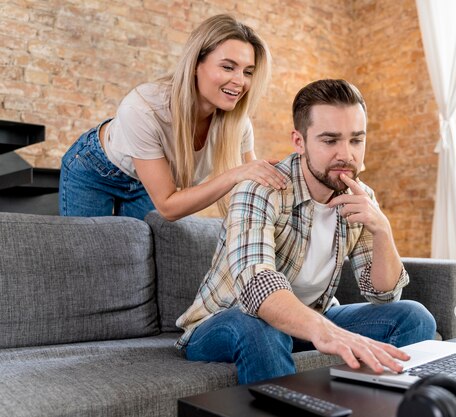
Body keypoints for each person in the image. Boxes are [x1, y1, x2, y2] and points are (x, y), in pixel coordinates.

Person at [176, 79, 436, 385]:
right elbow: (258, 286)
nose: (346, 155)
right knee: (260, 327)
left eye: (356, 140)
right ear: (299, 141)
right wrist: (327, 332)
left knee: (413, 316)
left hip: (312, 316)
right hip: (224, 322)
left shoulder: (360, 196)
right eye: (330, 141)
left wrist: (382, 230)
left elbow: (383, 293)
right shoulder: (261, 189)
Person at [59, 14, 286, 221]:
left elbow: (252, 183)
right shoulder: (143, 108)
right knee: (88, 254)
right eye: (228, 67)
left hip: (148, 184)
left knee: (136, 254)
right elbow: (168, 206)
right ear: (196, 64)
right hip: (97, 171)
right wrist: (235, 174)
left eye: (248, 72)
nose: (240, 81)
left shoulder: (239, 126)